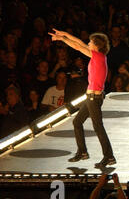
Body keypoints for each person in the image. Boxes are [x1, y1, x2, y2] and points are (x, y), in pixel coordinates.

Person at [49, 29, 116, 168]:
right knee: (77, 122)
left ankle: (109, 156)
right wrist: (64, 35)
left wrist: (62, 38)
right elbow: (79, 43)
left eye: (90, 42)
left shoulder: (98, 56)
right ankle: (82, 152)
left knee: (98, 127)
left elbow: (78, 46)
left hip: (94, 98)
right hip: (91, 97)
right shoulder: (98, 57)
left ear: (97, 45)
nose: (88, 43)